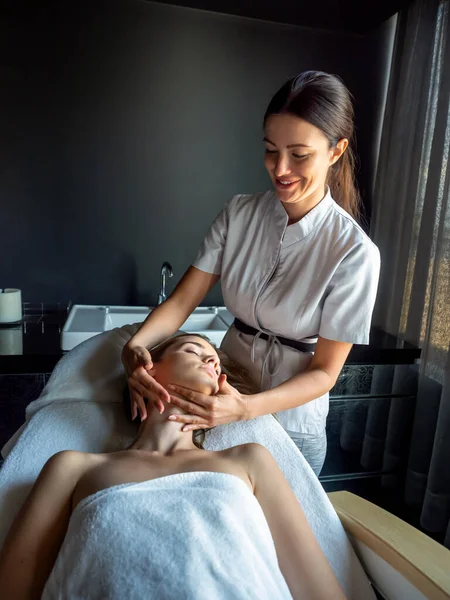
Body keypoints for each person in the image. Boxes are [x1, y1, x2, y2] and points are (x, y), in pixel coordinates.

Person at [121, 70, 381, 476]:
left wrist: (245, 408)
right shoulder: (240, 214)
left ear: (336, 150)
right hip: (220, 399)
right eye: (270, 150)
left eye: (299, 154)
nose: (280, 169)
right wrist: (134, 348)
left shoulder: (353, 253)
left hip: (291, 421)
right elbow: (182, 302)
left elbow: (325, 372)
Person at [0, 334, 346, 600]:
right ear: (147, 369)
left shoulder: (249, 460)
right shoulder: (72, 468)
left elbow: (319, 590)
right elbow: (12, 588)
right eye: (194, 351)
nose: (211, 360)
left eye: (215, 362)